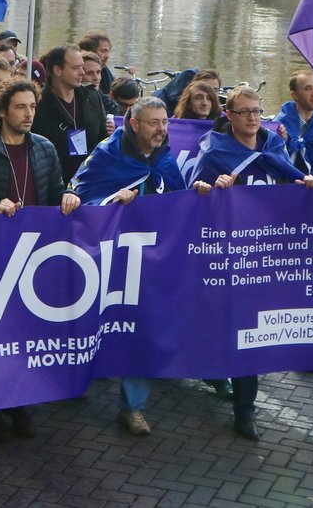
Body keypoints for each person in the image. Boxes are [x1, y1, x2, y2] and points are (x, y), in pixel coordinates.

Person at [68, 96, 203, 437]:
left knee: (141, 324)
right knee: (98, 320)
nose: (162, 129)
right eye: (155, 123)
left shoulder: (164, 157)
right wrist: (113, 200)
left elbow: (177, 197)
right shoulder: (107, 155)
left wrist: (198, 194)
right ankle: (80, 376)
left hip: (148, 258)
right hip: (109, 254)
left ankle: (133, 407)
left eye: (165, 122)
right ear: (133, 124)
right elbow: (82, 196)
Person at [190, 86, 313, 441]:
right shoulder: (215, 151)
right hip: (227, 255)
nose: (252, 118)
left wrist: (309, 182)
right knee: (219, 326)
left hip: (264, 256)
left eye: (257, 111)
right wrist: (210, 188)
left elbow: (293, 180)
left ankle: (245, 410)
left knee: (252, 335)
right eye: (244, 112)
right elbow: (189, 191)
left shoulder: (275, 147)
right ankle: (211, 368)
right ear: (229, 115)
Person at [0, 79, 80, 441]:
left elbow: (56, 191)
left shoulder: (44, 148)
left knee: (25, 332)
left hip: (34, 254)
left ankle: (20, 400)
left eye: (32, 107)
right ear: (2, 111)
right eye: (21, 107)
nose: (28, 114)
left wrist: (69, 196)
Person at [31, 44, 107, 183]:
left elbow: (103, 141)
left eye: (82, 67)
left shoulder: (92, 97)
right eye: (75, 68)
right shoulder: (36, 104)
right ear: (57, 70)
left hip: (88, 181)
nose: (82, 73)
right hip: (51, 185)